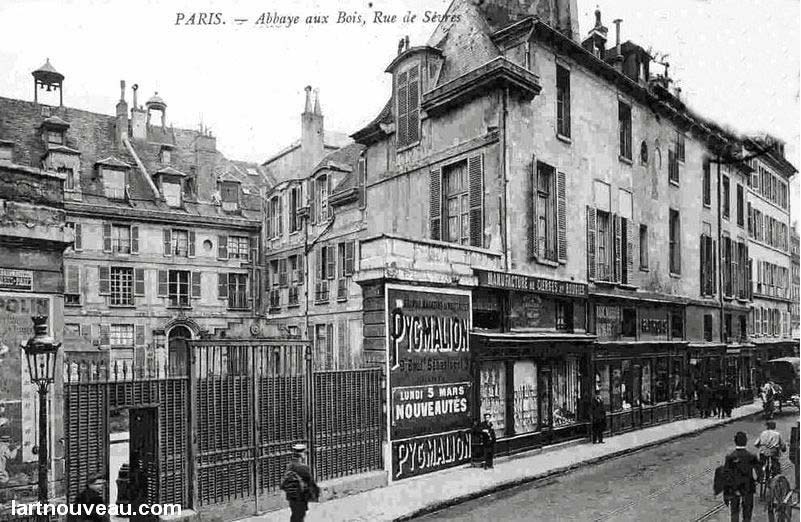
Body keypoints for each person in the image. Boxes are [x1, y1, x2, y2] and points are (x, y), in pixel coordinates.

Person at [723, 431, 762, 522]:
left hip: (734, 487)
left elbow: (726, 475)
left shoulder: (730, 457)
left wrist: (726, 492)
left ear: (735, 441)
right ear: (746, 441)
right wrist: (758, 480)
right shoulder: (751, 456)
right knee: (747, 511)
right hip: (748, 487)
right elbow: (759, 471)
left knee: (734, 511)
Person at [280, 443, 319, 522]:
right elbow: (311, 483)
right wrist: (316, 494)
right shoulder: (303, 468)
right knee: (300, 517)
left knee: (295, 515)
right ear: (302, 454)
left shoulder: (289, 466)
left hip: (291, 496)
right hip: (301, 496)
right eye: (304, 453)